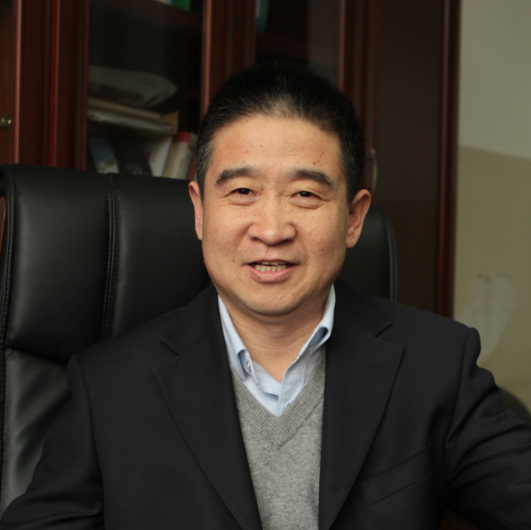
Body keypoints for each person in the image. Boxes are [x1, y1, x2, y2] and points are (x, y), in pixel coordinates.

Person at [2, 62, 531, 530]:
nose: (272, 229)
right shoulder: (110, 386)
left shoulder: (436, 365)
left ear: (353, 218)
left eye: (305, 194)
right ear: (200, 210)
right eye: (242, 191)